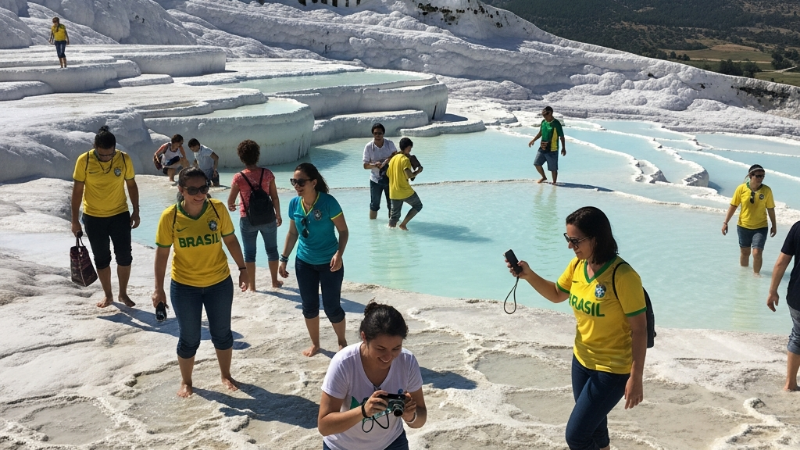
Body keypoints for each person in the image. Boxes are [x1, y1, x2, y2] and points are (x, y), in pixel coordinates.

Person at [508, 206, 646, 450]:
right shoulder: (578, 266)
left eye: (575, 240)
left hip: (612, 369)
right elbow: (556, 294)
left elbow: (639, 330)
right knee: (595, 427)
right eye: (568, 239)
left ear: (595, 238)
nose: (570, 246)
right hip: (581, 362)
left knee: (577, 436)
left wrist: (636, 377)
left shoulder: (623, 276)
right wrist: (528, 275)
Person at [152, 167, 249, 398]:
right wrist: (158, 289)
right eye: (192, 189)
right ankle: (186, 381)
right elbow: (162, 254)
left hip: (219, 283)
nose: (199, 194)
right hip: (185, 286)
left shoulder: (217, 209)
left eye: (203, 188)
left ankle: (225, 375)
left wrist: (243, 268)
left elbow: (231, 240)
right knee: (189, 337)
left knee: (222, 333)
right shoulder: (170, 217)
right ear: (181, 189)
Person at [318, 302, 427, 450]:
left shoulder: (407, 361)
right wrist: (363, 411)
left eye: (396, 348)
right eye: (381, 348)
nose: (388, 357)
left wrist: (410, 416)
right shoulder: (344, 363)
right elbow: (325, 426)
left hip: (391, 442)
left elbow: (420, 419)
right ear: (364, 337)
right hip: (342, 446)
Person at [278, 163, 349, 357]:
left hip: (330, 262)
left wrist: (339, 254)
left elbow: (343, 231)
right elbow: (292, 233)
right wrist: (283, 259)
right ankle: (315, 344)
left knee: (332, 307)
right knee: (309, 307)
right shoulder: (294, 204)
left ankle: (342, 342)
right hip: (304, 262)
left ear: (313, 182)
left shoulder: (328, 202)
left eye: (301, 181)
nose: (297, 185)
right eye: (294, 181)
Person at [71, 126, 140, 308]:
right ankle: (108, 295)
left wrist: (136, 211)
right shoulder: (84, 161)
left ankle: (123, 294)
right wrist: (74, 220)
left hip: (119, 214)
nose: (105, 158)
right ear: (95, 147)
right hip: (94, 217)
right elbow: (77, 191)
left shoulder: (124, 159)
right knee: (102, 258)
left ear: (114, 148)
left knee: (125, 256)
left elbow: (132, 185)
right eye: (101, 154)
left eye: (109, 154)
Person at [228, 139, 283, 290]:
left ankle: (252, 286)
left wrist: (232, 206)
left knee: (249, 253)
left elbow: (231, 202)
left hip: (248, 219)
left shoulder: (238, 177)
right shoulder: (267, 174)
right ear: (258, 155)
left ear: (241, 157)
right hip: (268, 217)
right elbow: (275, 197)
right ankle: (274, 282)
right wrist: (278, 214)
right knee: (272, 250)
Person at [722, 164, 777, 275]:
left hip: (760, 227)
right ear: (750, 176)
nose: (761, 178)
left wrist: (774, 225)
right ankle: (743, 275)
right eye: (758, 176)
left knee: (757, 252)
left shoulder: (767, 190)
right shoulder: (741, 189)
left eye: (763, 176)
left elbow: (770, 209)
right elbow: (733, 206)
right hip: (743, 226)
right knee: (745, 252)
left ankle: (756, 275)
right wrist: (725, 222)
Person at [766, 220, 800, 391]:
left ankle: (790, 383)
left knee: (798, 336)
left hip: (797, 295)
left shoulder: (798, 227)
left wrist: (772, 291)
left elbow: (781, 262)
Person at [363, 123, 397, 220]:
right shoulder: (368, 146)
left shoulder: (389, 143)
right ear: (373, 134)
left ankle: (392, 225)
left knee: (391, 204)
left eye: (380, 133)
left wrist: (387, 160)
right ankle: (373, 228)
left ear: (383, 134)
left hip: (390, 178)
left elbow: (396, 156)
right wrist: (375, 165)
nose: (377, 135)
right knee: (374, 205)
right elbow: (365, 165)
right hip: (375, 180)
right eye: (375, 133)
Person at [387, 137, 423, 230]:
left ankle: (390, 233)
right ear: (407, 147)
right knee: (418, 205)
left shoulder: (393, 159)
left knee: (394, 216)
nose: (410, 150)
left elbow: (388, 174)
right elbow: (409, 176)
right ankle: (403, 224)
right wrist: (418, 171)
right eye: (410, 148)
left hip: (393, 192)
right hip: (404, 191)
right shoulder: (405, 159)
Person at [528, 106, 566, 185]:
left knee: (553, 168)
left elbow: (562, 137)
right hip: (542, 147)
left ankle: (554, 183)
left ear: (550, 113)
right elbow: (540, 133)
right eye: (543, 114)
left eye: (545, 114)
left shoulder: (556, 123)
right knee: (537, 163)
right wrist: (533, 140)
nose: (544, 116)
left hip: (553, 149)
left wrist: (563, 148)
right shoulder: (543, 122)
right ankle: (544, 177)